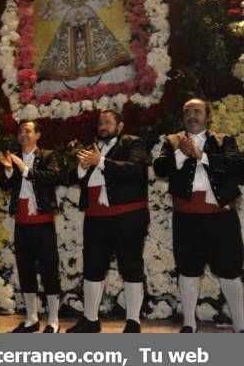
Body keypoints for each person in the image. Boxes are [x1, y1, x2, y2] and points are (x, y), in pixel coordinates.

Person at [153, 98, 244, 333]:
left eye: (197, 111)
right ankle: (189, 324)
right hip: (187, 218)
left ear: (208, 116)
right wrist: (182, 155)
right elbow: (160, 169)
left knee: (230, 270)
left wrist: (200, 155)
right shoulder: (172, 141)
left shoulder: (224, 140)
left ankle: (241, 325)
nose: (192, 115)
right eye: (187, 112)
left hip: (221, 218)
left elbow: (237, 166)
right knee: (188, 269)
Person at [67, 109, 149, 333]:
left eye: (108, 122)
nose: (103, 126)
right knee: (93, 268)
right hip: (95, 217)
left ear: (120, 126)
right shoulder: (91, 149)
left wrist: (101, 161)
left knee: (130, 266)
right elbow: (72, 177)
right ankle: (90, 320)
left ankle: (133, 321)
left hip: (127, 216)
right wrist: (82, 168)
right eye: (100, 123)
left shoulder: (133, 143)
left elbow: (136, 171)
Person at [0, 119, 63, 333]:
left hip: (43, 222)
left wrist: (24, 169)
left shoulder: (47, 156)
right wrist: (9, 170)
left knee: (49, 270)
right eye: (20, 131)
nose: (23, 134)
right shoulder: (13, 157)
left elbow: (53, 176)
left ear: (38, 135)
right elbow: (6, 186)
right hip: (22, 222)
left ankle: (53, 320)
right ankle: (31, 318)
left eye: (28, 131)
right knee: (25, 270)